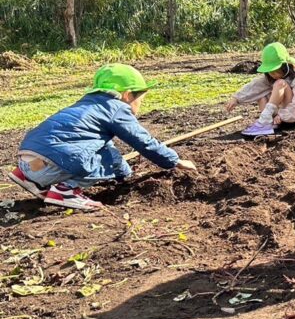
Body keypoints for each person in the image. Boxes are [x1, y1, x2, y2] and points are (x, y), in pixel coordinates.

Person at [9, 63, 197, 211]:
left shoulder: (86, 104)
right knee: (107, 156)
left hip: (27, 163)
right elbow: (143, 141)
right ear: (127, 95)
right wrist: (175, 161)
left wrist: (126, 177)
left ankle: (30, 179)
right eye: (140, 99)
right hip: (51, 165)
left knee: (102, 148)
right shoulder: (116, 108)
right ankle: (65, 191)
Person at [225, 42, 295, 138]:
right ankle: (266, 123)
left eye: (275, 71)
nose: (272, 75)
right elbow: (254, 86)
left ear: (284, 66)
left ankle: (264, 120)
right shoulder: (270, 77)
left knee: (280, 83)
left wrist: (282, 116)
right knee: (261, 94)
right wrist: (236, 98)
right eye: (270, 72)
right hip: (278, 119)